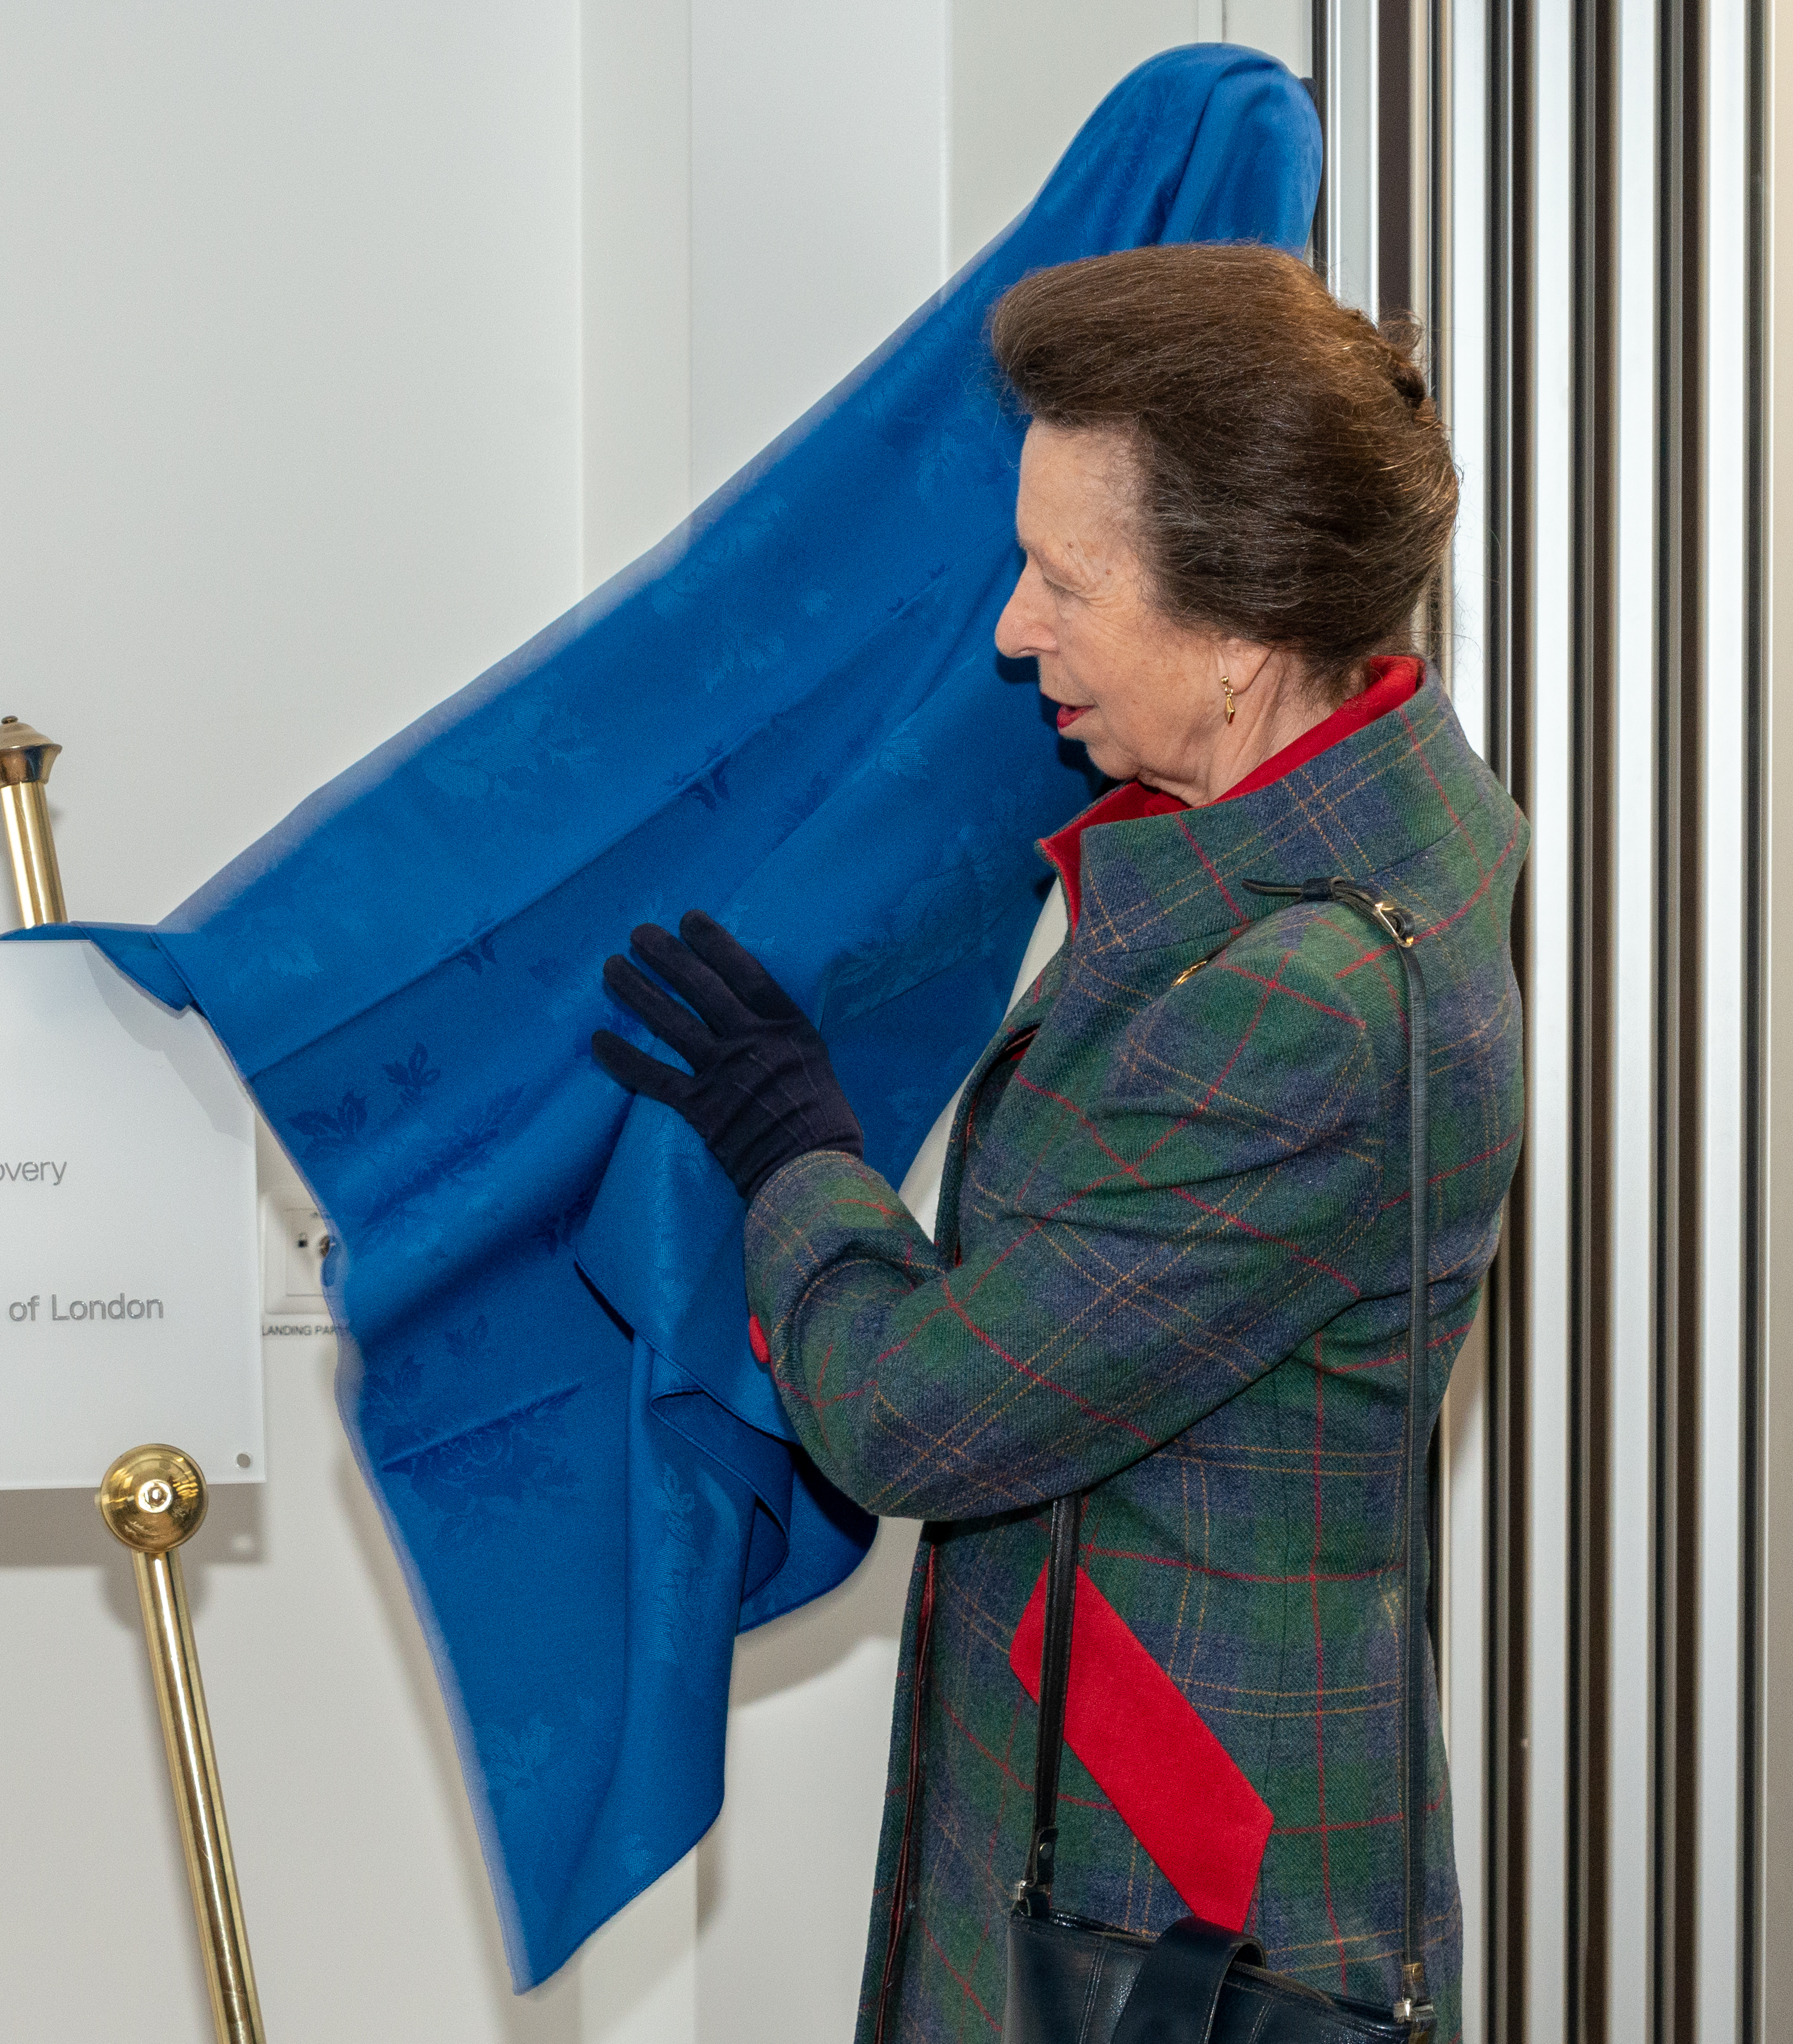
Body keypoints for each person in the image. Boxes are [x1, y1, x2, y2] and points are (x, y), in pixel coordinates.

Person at [593, 242, 1523, 2043]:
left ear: (1244, 633)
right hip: (1125, 1821)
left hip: (1177, 1915)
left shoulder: (1312, 1002)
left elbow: (913, 1414)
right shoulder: (1318, 848)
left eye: (1060, 580)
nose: (1014, 630)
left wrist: (792, 1145)